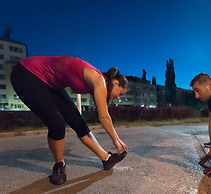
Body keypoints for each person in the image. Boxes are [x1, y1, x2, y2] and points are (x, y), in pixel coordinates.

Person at [10, 56, 129, 185]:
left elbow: (102, 114)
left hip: (52, 84)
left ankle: (106, 158)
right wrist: (116, 140)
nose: (118, 98)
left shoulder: (99, 82)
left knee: (78, 123)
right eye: (120, 94)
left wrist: (116, 139)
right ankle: (59, 165)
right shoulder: (99, 80)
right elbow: (104, 117)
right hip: (27, 73)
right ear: (115, 83)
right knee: (57, 124)